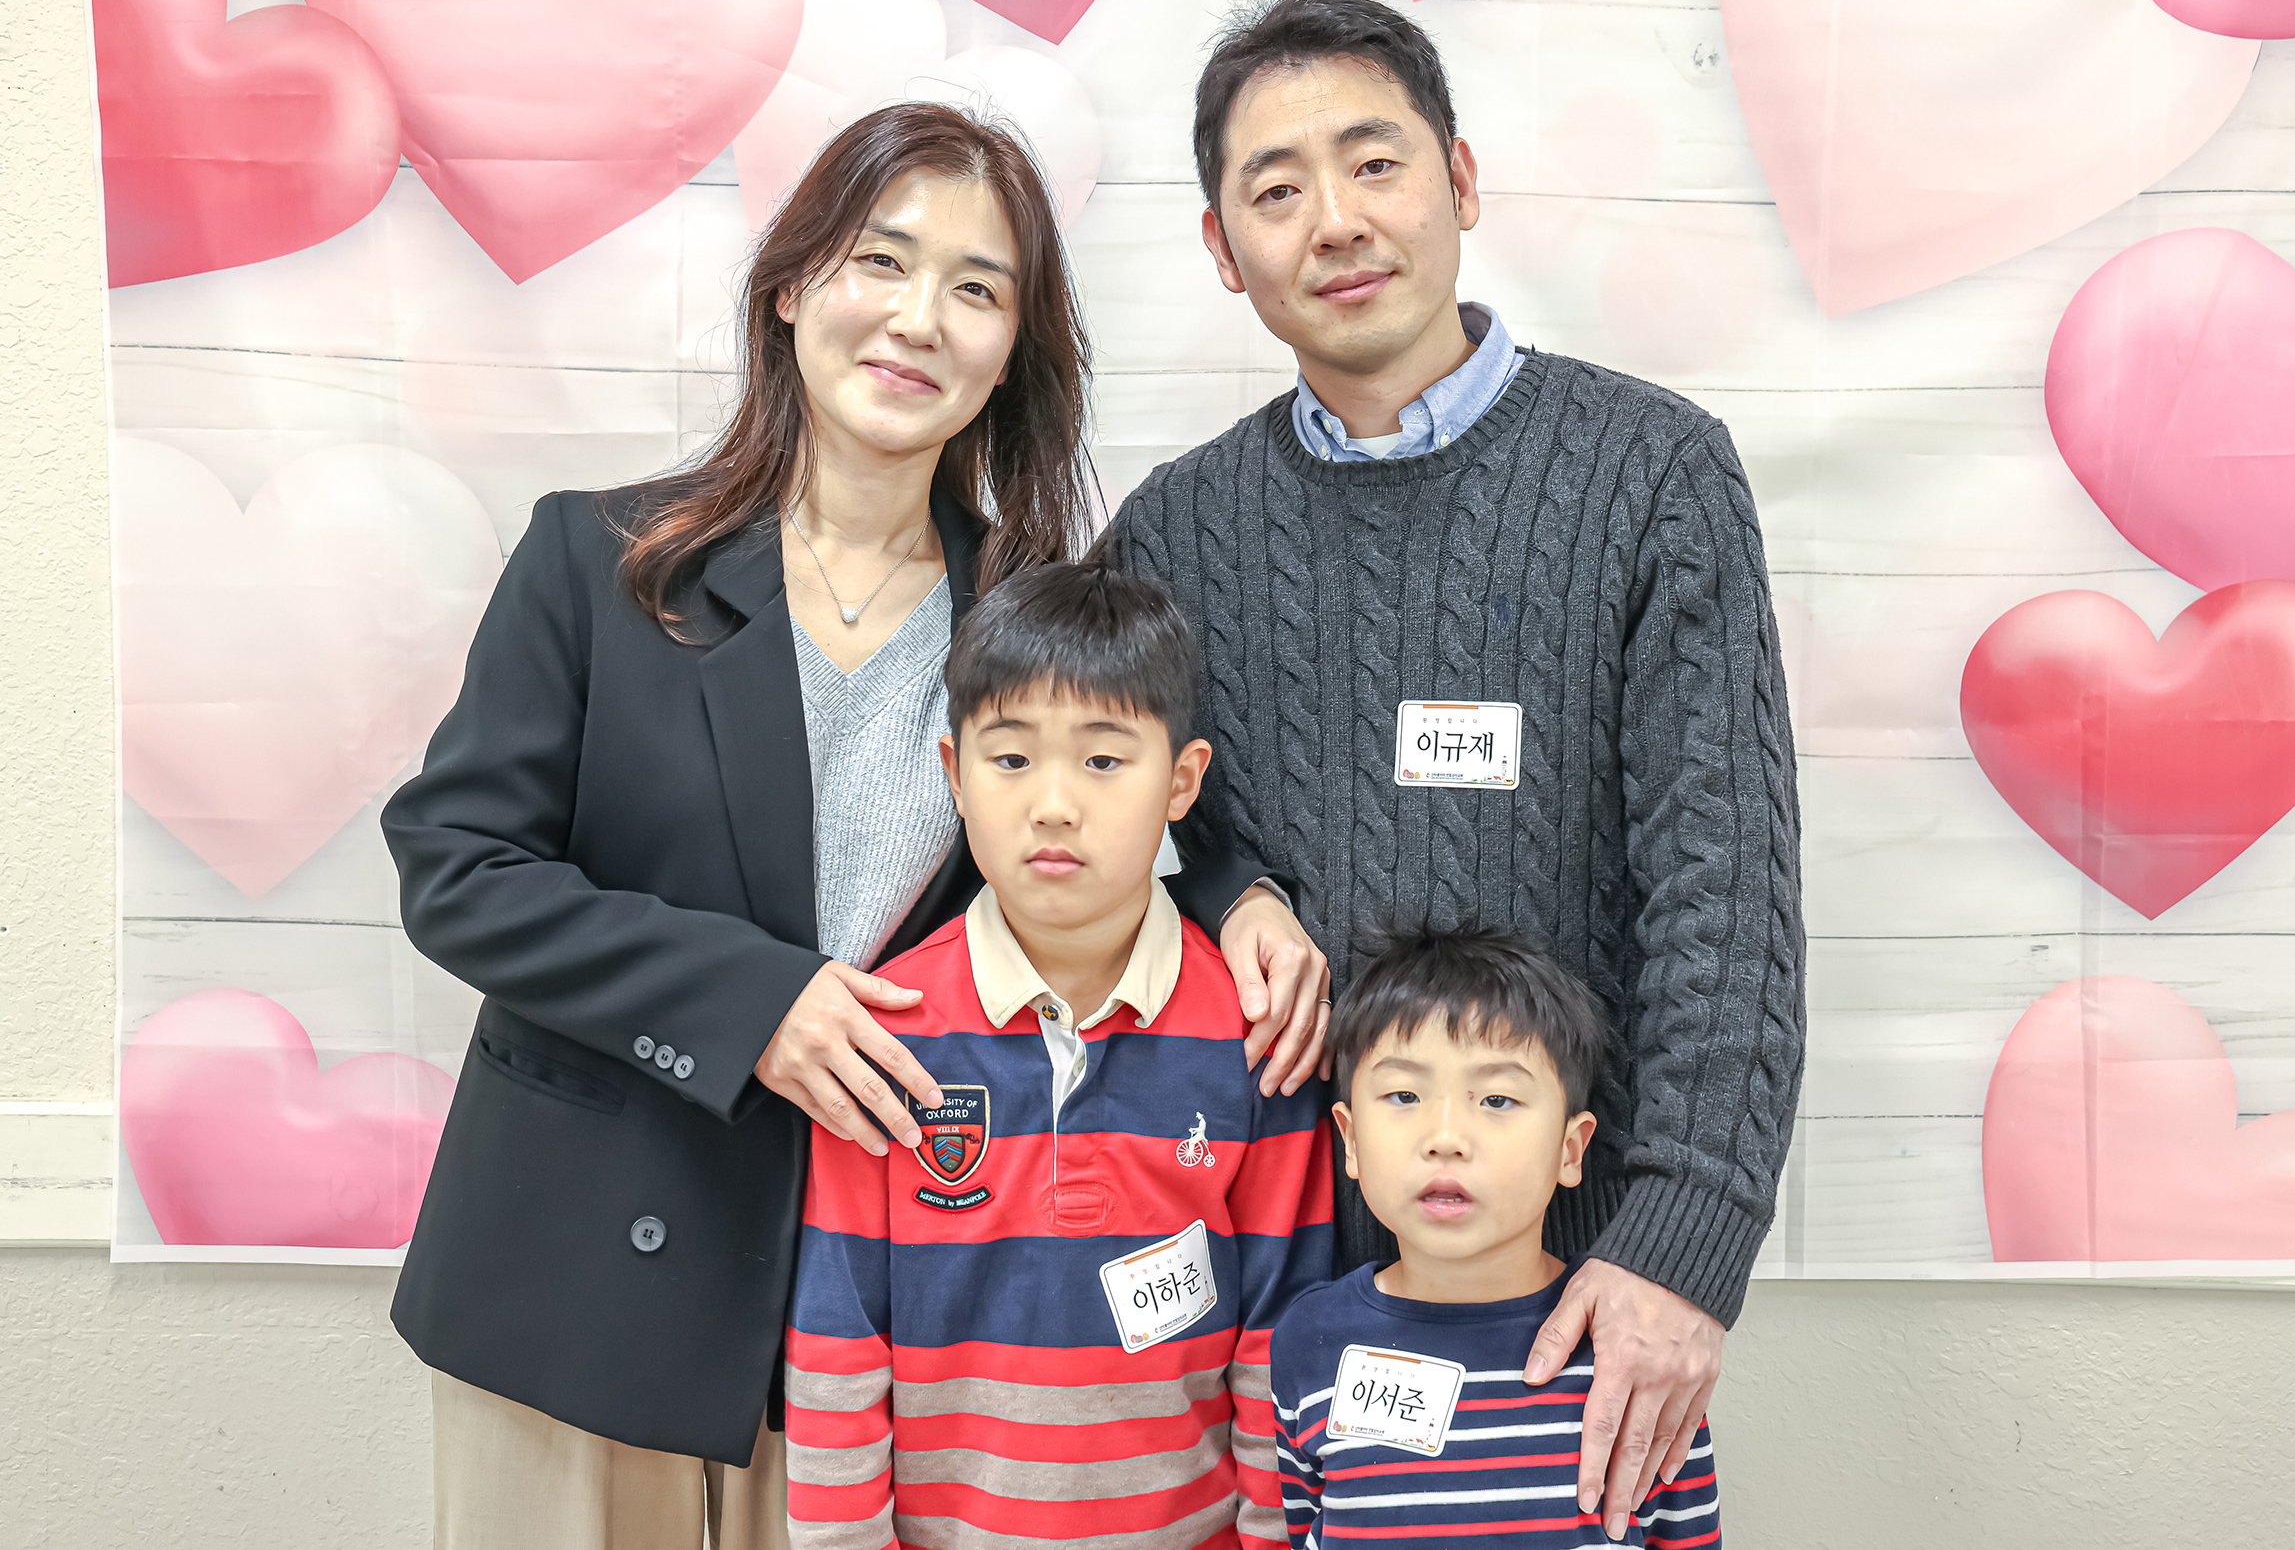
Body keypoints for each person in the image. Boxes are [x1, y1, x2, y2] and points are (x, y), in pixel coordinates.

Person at [380, 104, 1328, 1550]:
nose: (918, 318)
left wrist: (1243, 893)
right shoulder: (605, 559)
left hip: (867, 1334)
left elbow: (1117, 803)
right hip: (576, 1290)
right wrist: (754, 1003)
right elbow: (459, 870)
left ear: (1011, 351)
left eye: (976, 288)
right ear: (791, 287)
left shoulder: (1023, 616)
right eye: (880, 261)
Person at [1099, 0, 1804, 1538]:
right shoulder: (1175, 531)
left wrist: (1685, 1242)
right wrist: (1232, 887)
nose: (1336, 221)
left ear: (1461, 182)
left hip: (1579, 1277)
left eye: (1376, 163)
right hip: (1280, 1290)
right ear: (1223, 249)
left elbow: (1727, 884)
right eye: (1277, 190)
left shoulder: (1653, 472)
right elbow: (1096, 807)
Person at [783, 561, 1336, 1547]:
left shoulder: (1253, 1032)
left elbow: (1279, 1339)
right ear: (954, 774)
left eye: (1103, 760)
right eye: (1010, 758)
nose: (1052, 804)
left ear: (1182, 781)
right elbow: (838, 1342)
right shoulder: (887, 1027)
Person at [1271, 926, 1720, 1548]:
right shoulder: (1308, 1339)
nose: (1445, 1137)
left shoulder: (1632, 1347)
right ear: (1349, 1139)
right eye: (1404, 1094)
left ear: (1570, 1149)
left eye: (1499, 1100)